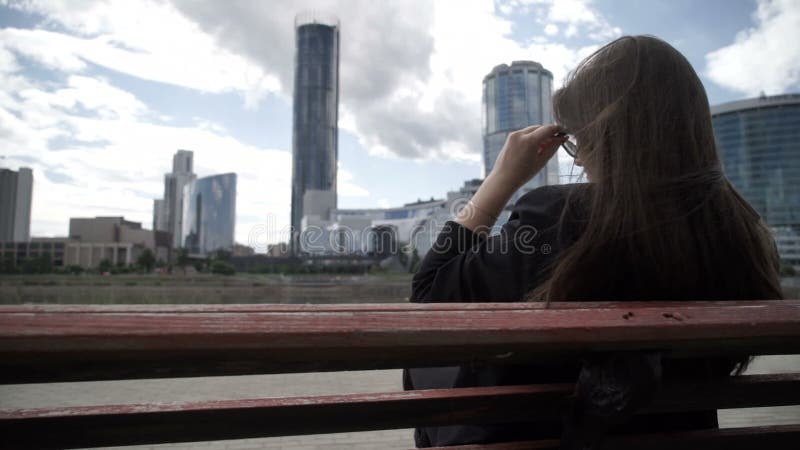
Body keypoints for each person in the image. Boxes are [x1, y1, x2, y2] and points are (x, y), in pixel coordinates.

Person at [404, 35, 783, 447]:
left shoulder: (557, 219)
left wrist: (501, 179)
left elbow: (429, 296)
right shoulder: (741, 234)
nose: (578, 158)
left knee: (422, 366)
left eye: (578, 138)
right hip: (682, 437)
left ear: (608, 134)